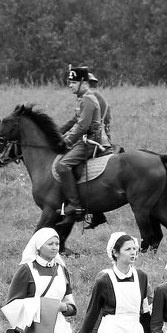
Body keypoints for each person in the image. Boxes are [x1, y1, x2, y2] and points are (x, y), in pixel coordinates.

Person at [57, 65, 107, 221]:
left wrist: (66, 141)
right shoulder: (82, 98)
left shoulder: (88, 99)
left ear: (82, 82)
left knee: (62, 165)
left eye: (73, 82)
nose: (70, 85)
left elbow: (83, 126)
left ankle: (75, 205)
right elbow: (75, 120)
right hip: (84, 139)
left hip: (91, 141)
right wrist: (57, 133)